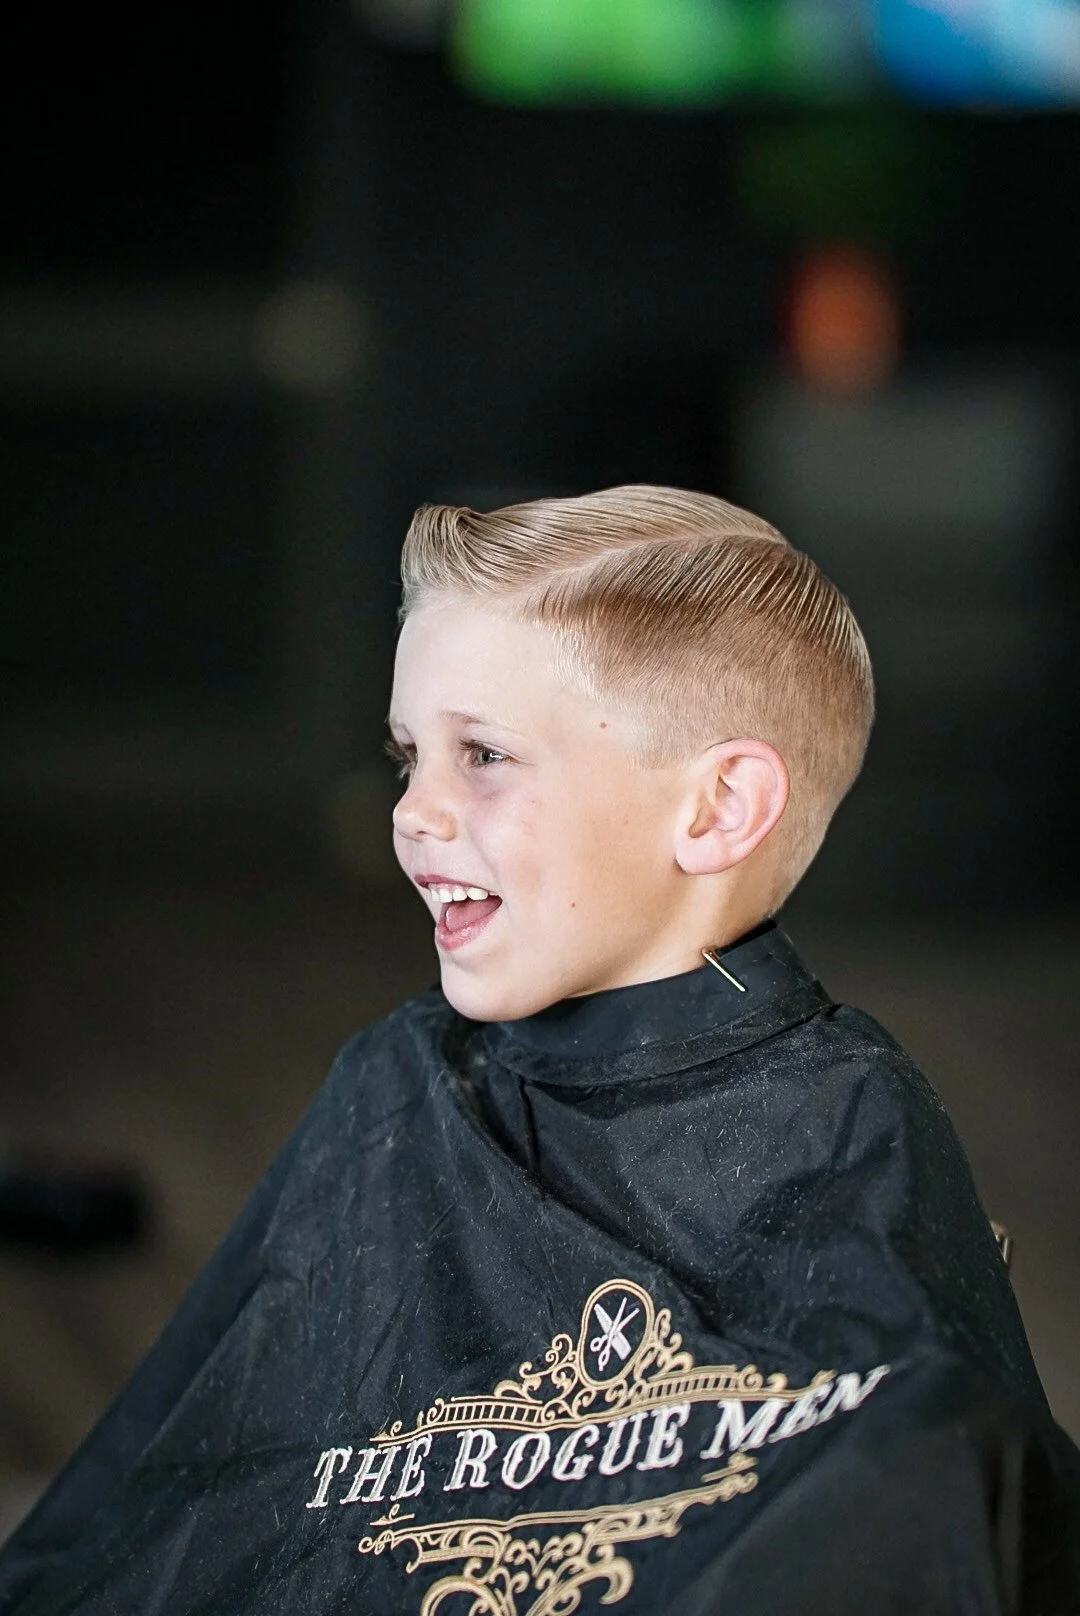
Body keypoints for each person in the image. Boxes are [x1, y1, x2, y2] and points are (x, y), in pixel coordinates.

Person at [1, 486, 1077, 1615]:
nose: (413, 810)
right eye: (409, 754)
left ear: (717, 809)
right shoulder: (398, 1084)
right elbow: (189, 1499)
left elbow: (921, 1486)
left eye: (484, 756)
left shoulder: (845, 1123)